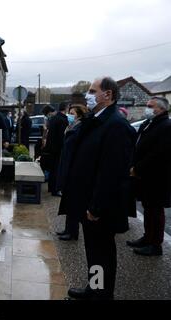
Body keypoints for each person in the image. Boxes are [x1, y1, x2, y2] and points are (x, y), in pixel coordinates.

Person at [66, 77, 136, 300]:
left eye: (92, 90)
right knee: (94, 253)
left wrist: (96, 208)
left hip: (100, 209)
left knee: (102, 253)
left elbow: (112, 174)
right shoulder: (97, 120)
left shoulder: (116, 125)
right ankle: (94, 288)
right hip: (89, 203)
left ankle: (101, 294)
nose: (87, 94)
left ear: (108, 95)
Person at [127, 97, 171, 256]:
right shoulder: (149, 123)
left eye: (150, 106)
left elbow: (159, 154)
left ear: (161, 109)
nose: (147, 109)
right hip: (144, 176)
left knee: (155, 211)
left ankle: (155, 244)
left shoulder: (166, 126)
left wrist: (138, 168)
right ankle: (147, 237)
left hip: (156, 177)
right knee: (148, 208)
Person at [56, 104, 89, 241]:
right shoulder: (71, 127)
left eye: (72, 113)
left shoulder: (80, 128)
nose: (69, 115)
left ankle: (72, 231)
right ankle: (68, 229)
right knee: (68, 200)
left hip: (73, 168)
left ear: (79, 115)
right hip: (66, 165)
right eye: (69, 112)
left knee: (73, 202)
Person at [43, 102, 69, 196]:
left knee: (52, 169)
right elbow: (62, 137)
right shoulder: (62, 120)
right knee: (57, 169)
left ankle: (51, 187)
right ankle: (55, 190)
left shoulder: (53, 118)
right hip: (58, 149)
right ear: (66, 108)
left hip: (51, 148)